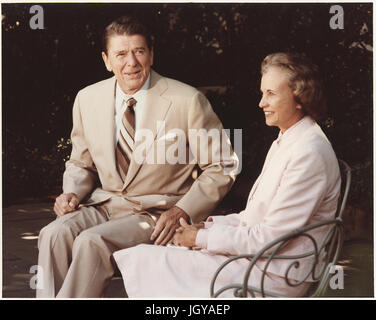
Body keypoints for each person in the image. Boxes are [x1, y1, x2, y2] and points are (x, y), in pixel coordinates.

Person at [36, 15, 238, 298]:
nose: (131, 62)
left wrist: (184, 210)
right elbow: (81, 162)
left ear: (151, 55)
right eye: (120, 54)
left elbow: (222, 165)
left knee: (91, 242)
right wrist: (71, 192)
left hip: (157, 214)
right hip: (104, 205)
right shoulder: (87, 99)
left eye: (139, 51)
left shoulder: (187, 100)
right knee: (53, 234)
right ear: (106, 60)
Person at [113, 52, 341, 298]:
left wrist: (200, 238)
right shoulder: (290, 139)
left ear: (300, 98)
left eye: (271, 94)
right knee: (156, 253)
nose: (261, 103)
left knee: (146, 258)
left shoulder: (308, 152)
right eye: (262, 93)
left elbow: (270, 238)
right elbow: (255, 218)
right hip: (260, 262)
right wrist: (205, 227)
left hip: (273, 275)